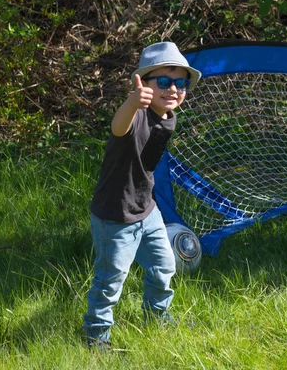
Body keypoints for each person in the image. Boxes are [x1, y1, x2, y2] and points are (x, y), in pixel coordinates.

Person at [83, 41, 202, 350]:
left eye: (180, 83)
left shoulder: (168, 117)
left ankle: (157, 315)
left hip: (146, 209)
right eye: (163, 81)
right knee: (110, 282)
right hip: (116, 214)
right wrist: (133, 103)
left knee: (165, 266)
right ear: (145, 84)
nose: (173, 89)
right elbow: (118, 127)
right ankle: (96, 336)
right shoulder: (135, 114)